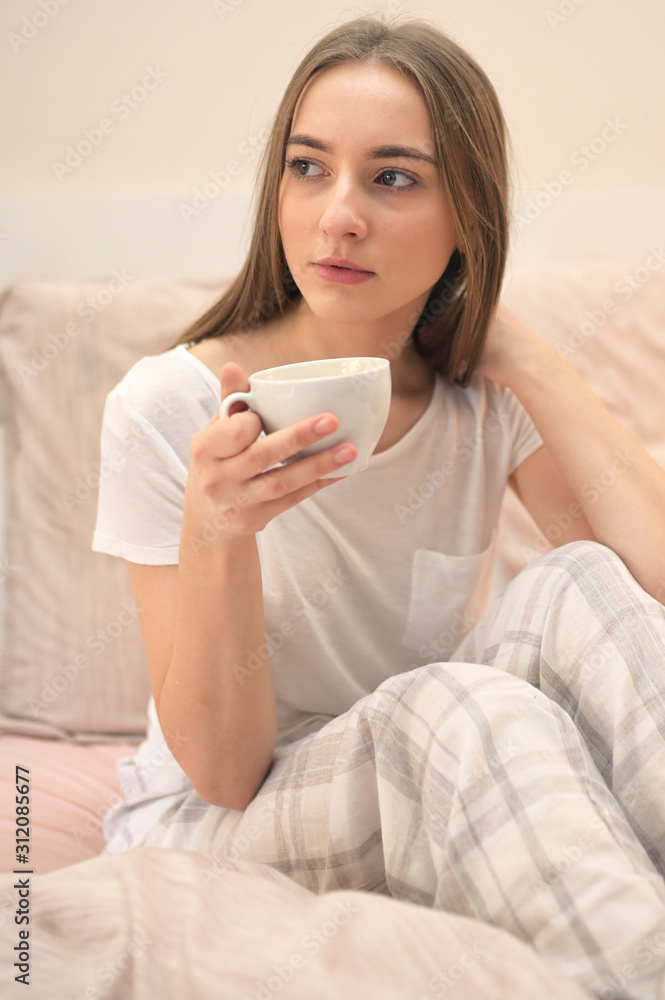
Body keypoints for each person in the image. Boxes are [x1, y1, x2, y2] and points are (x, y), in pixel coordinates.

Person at [92, 14, 665, 997]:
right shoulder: (171, 407)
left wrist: (519, 352)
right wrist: (218, 529)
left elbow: (641, 587)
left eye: (391, 177)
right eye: (308, 169)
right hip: (224, 817)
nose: (337, 215)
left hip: (428, 760)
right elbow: (224, 774)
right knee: (462, 699)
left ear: (465, 217)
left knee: (573, 580)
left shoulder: (480, 399)